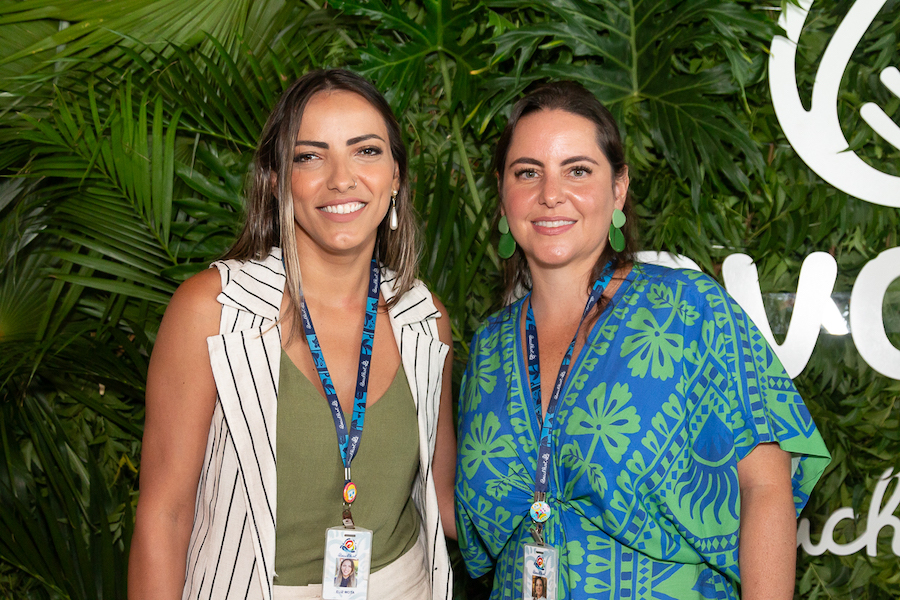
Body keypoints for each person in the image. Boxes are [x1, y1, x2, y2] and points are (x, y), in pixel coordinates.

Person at [454, 81, 831, 600]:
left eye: (577, 170)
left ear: (618, 189)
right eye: (528, 172)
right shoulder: (490, 347)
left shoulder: (689, 309)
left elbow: (765, 487)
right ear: (502, 193)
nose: (550, 193)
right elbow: (461, 517)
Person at [129, 69, 456, 600]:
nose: (342, 179)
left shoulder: (425, 317)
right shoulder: (212, 312)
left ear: (396, 175)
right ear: (276, 179)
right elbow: (163, 516)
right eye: (310, 156)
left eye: (366, 151)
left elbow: (445, 500)